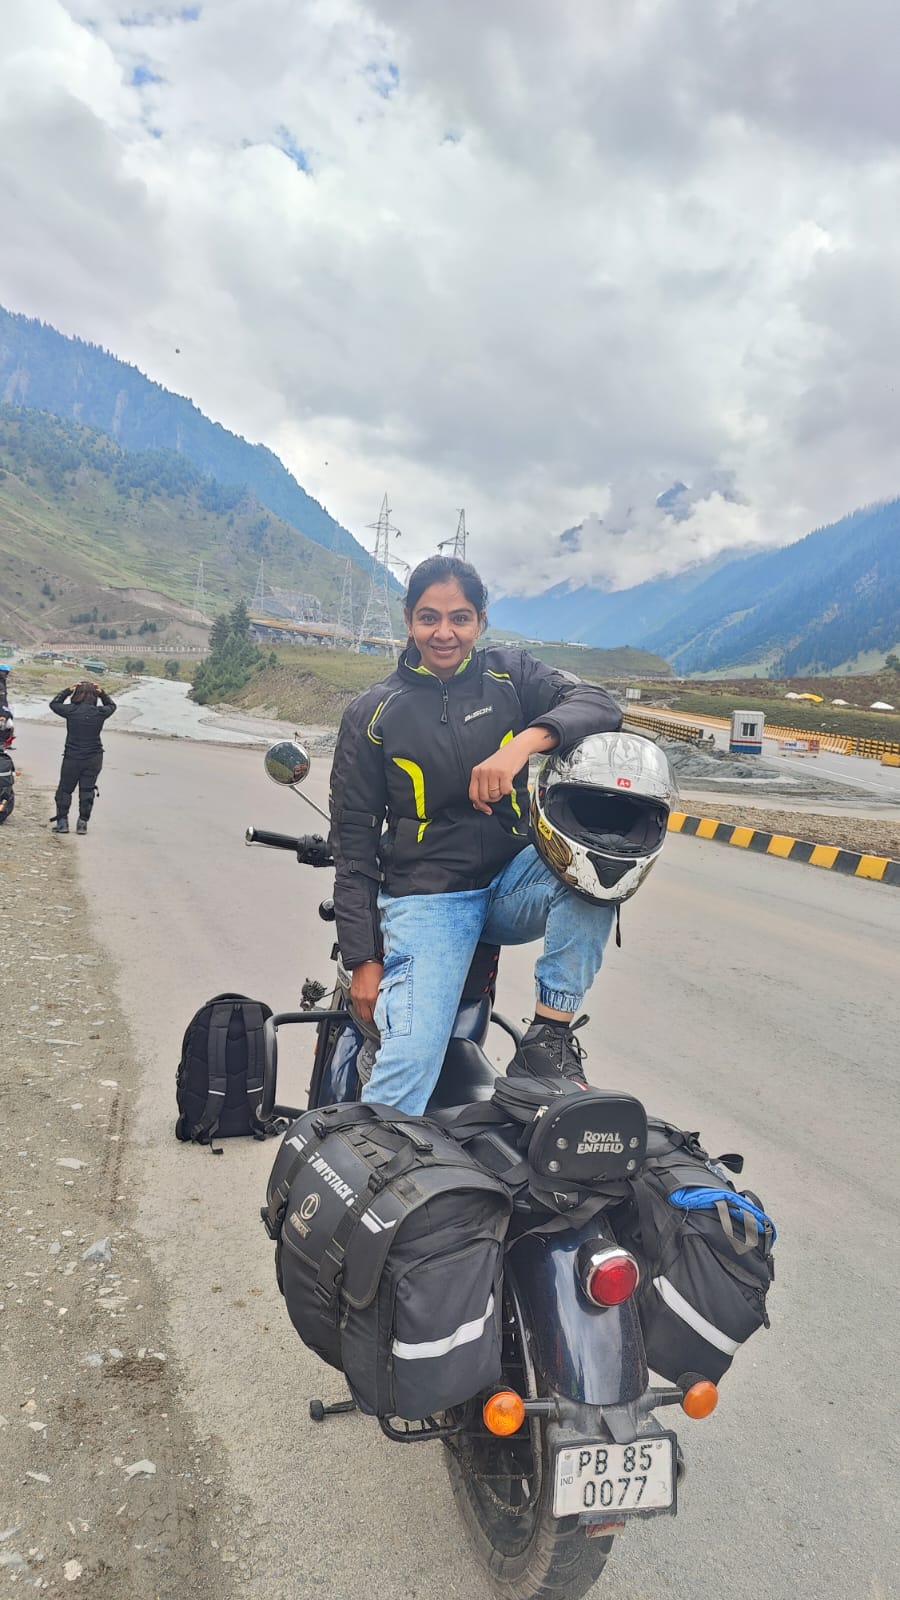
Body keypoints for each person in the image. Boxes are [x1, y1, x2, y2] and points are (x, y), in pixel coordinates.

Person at [328, 554, 625, 1117]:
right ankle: (371, 1157)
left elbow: (599, 705)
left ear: (481, 620)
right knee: (413, 1058)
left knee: (599, 865)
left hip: (511, 883)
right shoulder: (373, 712)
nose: (444, 633)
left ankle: (548, 1039)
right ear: (409, 619)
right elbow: (353, 845)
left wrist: (521, 746)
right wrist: (364, 958)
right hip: (429, 897)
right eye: (429, 618)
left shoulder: (509, 676)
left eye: (460, 618)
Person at [49, 680, 116, 835]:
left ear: (76, 694)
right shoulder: (100, 712)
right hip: (94, 757)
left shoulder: (71, 710)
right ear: (95, 696)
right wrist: (102, 693)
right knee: (87, 790)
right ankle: (82, 824)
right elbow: (112, 706)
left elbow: (54, 704)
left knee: (65, 790)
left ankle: (62, 822)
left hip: (72, 756)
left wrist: (67, 690)